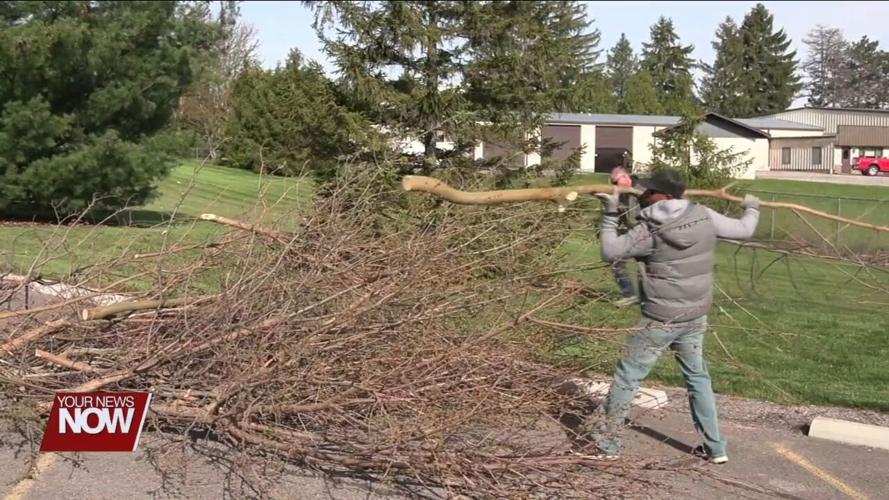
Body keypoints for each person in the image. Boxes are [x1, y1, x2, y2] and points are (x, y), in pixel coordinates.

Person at [588, 169, 761, 464]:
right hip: (694, 315)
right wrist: (753, 206)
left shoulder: (649, 231)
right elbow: (745, 229)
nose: (642, 194)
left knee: (628, 376)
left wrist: (610, 211)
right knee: (697, 378)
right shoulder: (704, 215)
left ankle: (609, 444)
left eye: (648, 191)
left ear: (665, 196)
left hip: (659, 319)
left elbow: (609, 250)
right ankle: (715, 447)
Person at [608, 167, 640, 306]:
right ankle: (629, 294)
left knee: (647, 267)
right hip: (627, 233)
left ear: (626, 177)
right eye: (614, 182)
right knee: (617, 262)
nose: (617, 185)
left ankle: (648, 296)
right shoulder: (618, 192)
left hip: (645, 232)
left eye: (618, 180)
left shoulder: (642, 189)